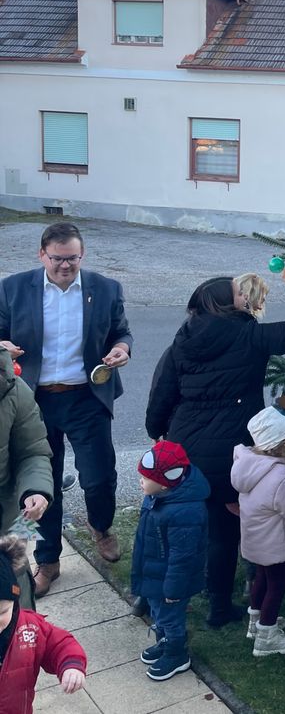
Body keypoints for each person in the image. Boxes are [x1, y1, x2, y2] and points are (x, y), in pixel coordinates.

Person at [145, 269, 285, 628]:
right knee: (224, 529)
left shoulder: (184, 337)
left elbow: (163, 388)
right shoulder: (247, 334)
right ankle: (221, 605)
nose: (244, 296)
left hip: (185, 446)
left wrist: (157, 430)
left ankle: (154, 593)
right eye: (238, 292)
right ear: (225, 303)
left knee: (181, 520)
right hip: (229, 448)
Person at [0, 222, 132, 596]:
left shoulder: (105, 289)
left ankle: (100, 525)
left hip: (86, 397)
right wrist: (2, 345)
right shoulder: (12, 288)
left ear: (82, 254)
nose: (65, 266)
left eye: (72, 258)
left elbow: (121, 332)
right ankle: (49, 561)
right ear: (42, 255)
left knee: (99, 476)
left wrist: (122, 349)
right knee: (43, 483)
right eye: (57, 258)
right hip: (33, 400)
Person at [130, 440, 209, 682]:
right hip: (156, 572)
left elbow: (182, 557)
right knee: (158, 612)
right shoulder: (159, 496)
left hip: (171, 580)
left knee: (170, 617)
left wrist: (174, 589)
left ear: (164, 483)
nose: (141, 481)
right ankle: (164, 642)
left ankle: (177, 654)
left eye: (145, 478)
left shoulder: (184, 512)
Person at [231, 405, 285, 657]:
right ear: (281, 446)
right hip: (274, 544)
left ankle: (256, 621)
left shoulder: (247, 465)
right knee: (278, 585)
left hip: (254, 540)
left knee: (261, 579)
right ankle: (267, 635)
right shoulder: (280, 476)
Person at [0, 534, 87, 712]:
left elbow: (59, 644)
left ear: (14, 602)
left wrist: (71, 665)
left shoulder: (29, 627)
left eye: (2, 612)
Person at [0, 347, 53, 609]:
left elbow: (32, 451)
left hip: (6, 523)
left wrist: (36, 490)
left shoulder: (12, 388)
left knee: (13, 608)